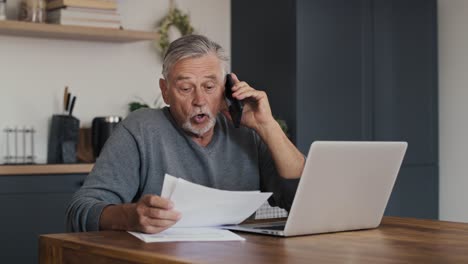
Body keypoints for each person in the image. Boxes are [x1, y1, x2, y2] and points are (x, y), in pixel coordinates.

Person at [66, 34, 305, 234]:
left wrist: (267, 126)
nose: (199, 100)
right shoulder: (141, 129)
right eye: (185, 88)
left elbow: (302, 203)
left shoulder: (247, 132)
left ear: (226, 89)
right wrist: (129, 216)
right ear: (165, 91)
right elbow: (81, 210)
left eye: (209, 87)